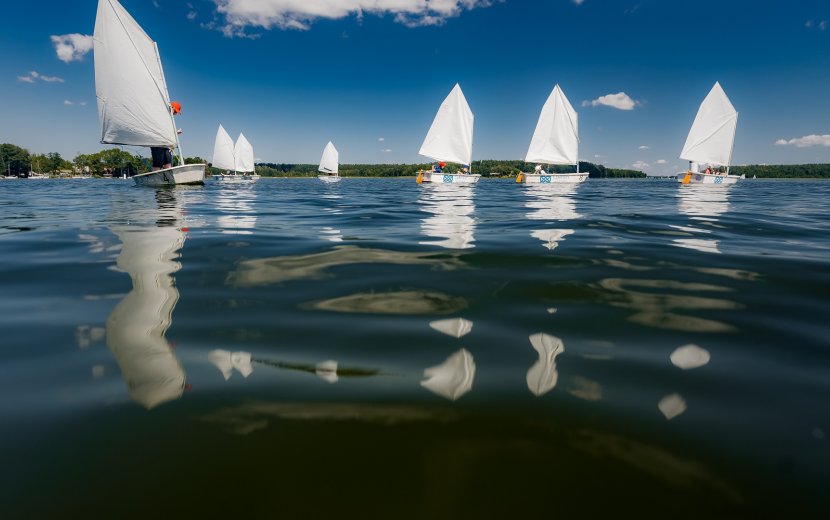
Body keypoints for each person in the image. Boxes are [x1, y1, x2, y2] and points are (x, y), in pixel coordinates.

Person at [150, 101, 182, 171]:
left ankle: (169, 176)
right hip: (157, 142)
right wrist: (176, 132)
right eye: (175, 111)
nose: (175, 114)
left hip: (166, 144)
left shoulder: (170, 119)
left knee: (168, 162)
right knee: (158, 163)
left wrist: (176, 133)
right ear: (171, 108)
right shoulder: (161, 116)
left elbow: (168, 131)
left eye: (176, 113)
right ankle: (156, 177)